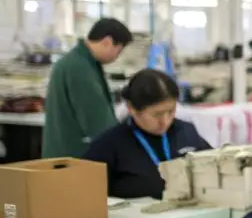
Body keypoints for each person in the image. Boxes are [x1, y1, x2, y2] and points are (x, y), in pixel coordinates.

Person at [83, 69, 211, 199]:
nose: (165, 121)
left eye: (171, 111)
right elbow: (84, 194)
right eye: (157, 115)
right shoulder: (108, 145)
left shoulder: (186, 131)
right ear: (132, 109)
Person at [42, 18, 133, 158]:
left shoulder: (79, 62)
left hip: (64, 152)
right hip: (73, 157)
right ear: (107, 42)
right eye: (118, 51)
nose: (116, 57)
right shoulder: (80, 68)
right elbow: (96, 119)